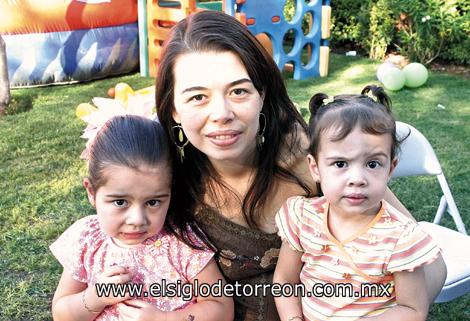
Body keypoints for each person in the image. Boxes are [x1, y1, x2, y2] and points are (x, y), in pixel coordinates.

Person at [155, 10, 446, 321]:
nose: (222, 113)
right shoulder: (163, 185)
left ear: (262, 93)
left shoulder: (316, 161)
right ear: (173, 109)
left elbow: (432, 270)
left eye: (238, 91)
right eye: (198, 97)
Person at [273, 85, 441, 321]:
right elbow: (285, 281)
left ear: (390, 168)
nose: (357, 179)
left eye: (373, 164)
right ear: (315, 168)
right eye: (340, 164)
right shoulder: (303, 217)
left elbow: (412, 309)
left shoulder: (400, 237)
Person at [50, 115, 234, 321]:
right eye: (120, 202)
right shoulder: (86, 239)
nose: (137, 220)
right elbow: (61, 313)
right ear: (91, 192)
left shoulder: (182, 241)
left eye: (153, 202)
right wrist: (94, 298)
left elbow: (221, 307)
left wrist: (164, 319)